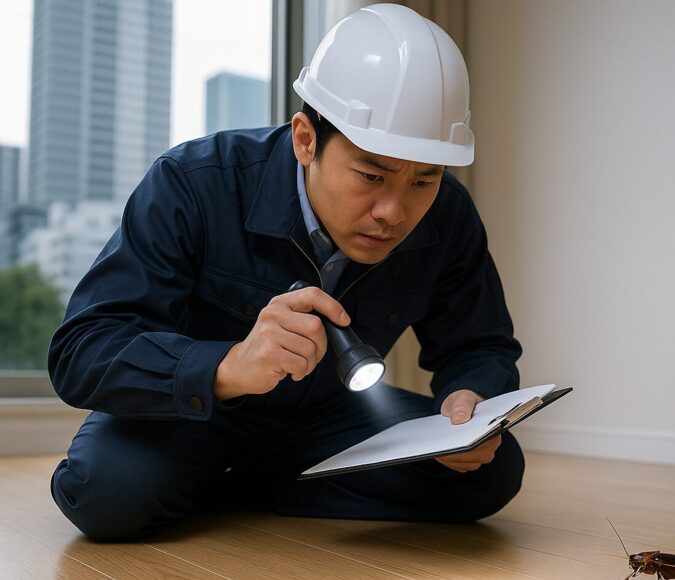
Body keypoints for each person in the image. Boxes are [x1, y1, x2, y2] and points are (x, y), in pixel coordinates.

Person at [48, 4, 524, 541]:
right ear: (305, 139)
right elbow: (82, 352)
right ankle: (254, 479)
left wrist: (472, 402)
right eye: (372, 174)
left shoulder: (448, 213)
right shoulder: (192, 183)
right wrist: (229, 364)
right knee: (104, 492)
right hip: (196, 414)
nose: (394, 212)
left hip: (330, 419)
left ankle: (237, 486)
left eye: (424, 180)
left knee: (493, 470)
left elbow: (480, 345)